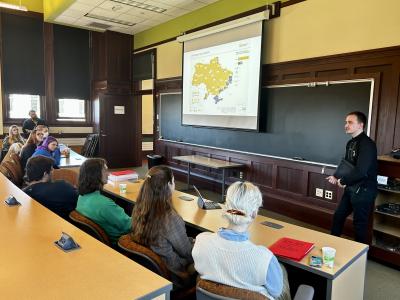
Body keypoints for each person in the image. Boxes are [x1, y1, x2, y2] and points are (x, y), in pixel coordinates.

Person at [192, 181, 290, 300]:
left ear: (227, 207)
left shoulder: (201, 242)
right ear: (254, 214)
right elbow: (276, 292)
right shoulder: (265, 259)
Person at [130, 166, 195, 288]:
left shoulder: (139, 208)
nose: (175, 184)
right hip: (173, 274)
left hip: (149, 269)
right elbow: (188, 253)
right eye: (174, 181)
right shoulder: (170, 218)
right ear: (168, 185)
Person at [327, 111, 377, 243]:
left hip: (364, 190)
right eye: (346, 122)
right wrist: (336, 176)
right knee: (339, 216)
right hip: (351, 188)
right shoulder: (350, 143)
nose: (346, 125)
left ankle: (360, 257)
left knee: (359, 224)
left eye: (350, 122)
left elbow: (361, 171)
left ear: (360, 125)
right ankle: (331, 245)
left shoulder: (367, 145)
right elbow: (347, 164)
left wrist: (343, 181)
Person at [76, 158, 131, 245]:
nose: (108, 174)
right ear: (95, 175)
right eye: (105, 170)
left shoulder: (81, 197)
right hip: (120, 243)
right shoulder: (105, 204)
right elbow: (129, 226)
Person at [23, 156, 78, 220]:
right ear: (45, 174)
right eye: (51, 169)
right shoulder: (61, 187)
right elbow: (79, 198)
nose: (53, 171)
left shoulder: (24, 193)